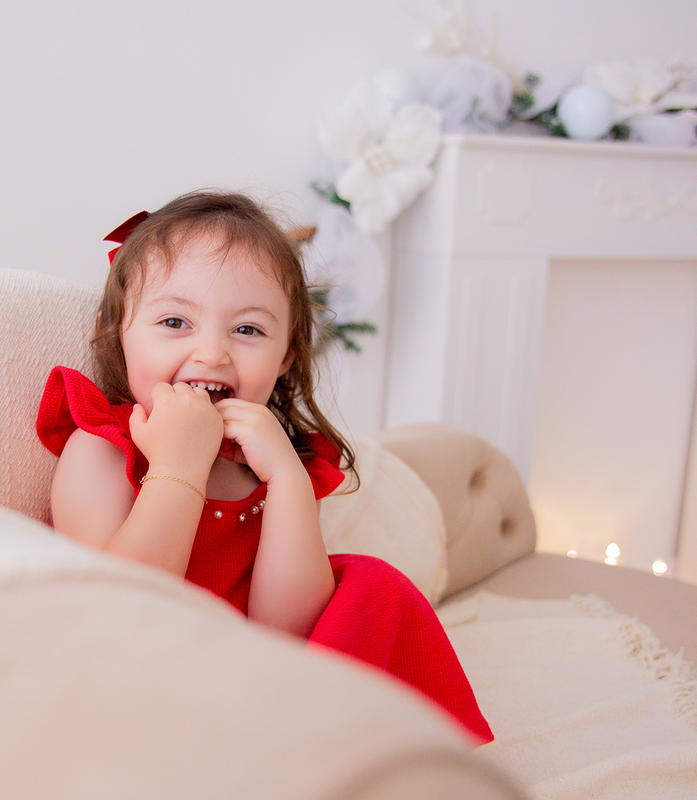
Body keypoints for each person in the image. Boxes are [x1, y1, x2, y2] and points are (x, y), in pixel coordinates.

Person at [37, 191, 492, 744]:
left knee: (373, 585)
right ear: (118, 330)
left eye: (247, 330)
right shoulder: (105, 446)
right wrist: (179, 464)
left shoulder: (261, 462)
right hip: (145, 679)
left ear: (286, 357)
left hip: (251, 677)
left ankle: (407, 754)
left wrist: (287, 482)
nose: (212, 353)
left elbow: (287, 630)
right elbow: (116, 606)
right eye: (176, 321)